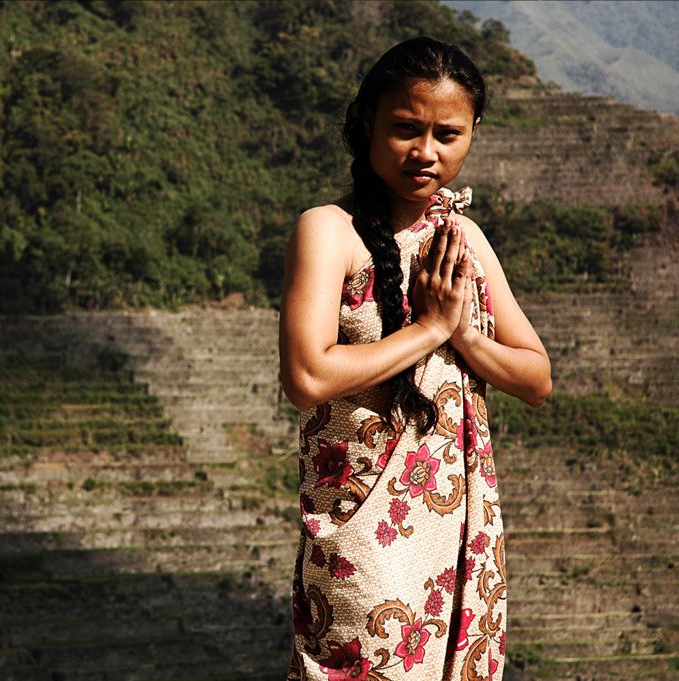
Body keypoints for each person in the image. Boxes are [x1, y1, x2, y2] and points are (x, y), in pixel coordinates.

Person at [277, 36, 552, 681]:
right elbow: (307, 375)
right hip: (363, 534)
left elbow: (537, 378)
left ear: (473, 133)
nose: (426, 151)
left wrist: (464, 338)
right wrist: (430, 329)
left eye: (447, 134)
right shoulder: (329, 231)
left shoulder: (464, 239)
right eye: (406, 128)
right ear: (367, 123)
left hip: (459, 533)